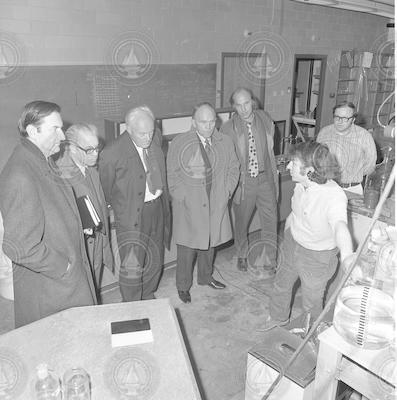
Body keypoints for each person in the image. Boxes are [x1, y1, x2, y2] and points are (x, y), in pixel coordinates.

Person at [0, 101, 97, 327]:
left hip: (62, 280)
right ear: (33, 131)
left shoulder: (39, 160)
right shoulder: (21, 175)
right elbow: (20, 247)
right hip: (53, 288)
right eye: (56, 128)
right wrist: (64, 268)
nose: (62, 136)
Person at [262, 141, 353, 330]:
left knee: (311, 302)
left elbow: (340, 226)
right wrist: (287, 236)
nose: (288, 167)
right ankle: (279, 317)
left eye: (293, 163)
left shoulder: (333, 195)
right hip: (293, 242)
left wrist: (347, 256)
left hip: (316, 256)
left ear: (309, 170)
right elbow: (295, 213)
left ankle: (310, 333)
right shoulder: (301, 184)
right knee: (281, 284)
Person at [167, 102, 239, 303]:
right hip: (190, 205)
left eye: (212, 121)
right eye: (203, 122)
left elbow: (235, 168)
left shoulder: (225, 141)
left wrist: (227, 191)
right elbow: (172, 175)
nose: (208, 126)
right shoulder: (180, 142)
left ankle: (206, 277)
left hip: (216, 202)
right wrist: (184, 197)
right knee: (187, 249)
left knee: (210, 244)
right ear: (193, 122)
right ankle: (183, 286)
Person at [99, 106, 170, 302]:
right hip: (131, 216)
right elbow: (105, 189)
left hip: (157, 208)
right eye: (142, 133)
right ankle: (131, 304)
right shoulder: (112, 153)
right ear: (128, 129)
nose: (148, 138)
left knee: (155, 258)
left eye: (151, 132)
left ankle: (147, 293)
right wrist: (122, 208)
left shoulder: (154, 139)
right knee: (132, 264)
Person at [220, 88, 279, 273]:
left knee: (271, 220)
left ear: (252, 102)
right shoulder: (228, 128)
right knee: (242, 222)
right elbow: (225, 159)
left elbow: (270, 150)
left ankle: (270, 259)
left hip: (265, 178)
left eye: (246, 103)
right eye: (239, 105)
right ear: (234, 106)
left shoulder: (265, 119)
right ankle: (242, 254)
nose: (244, 109)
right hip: (244, 182)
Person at [54, 123, 113, 299]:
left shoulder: (91, 169)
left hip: (97, 244)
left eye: (97, 148)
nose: (96, 154)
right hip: (80, 249)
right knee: (81, 297)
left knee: (93, 289)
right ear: (70, 147)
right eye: (89, 150)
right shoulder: (60, 175)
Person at [316, 101, 377, 195]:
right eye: (337, 117)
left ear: (353, 119)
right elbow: (317, 158)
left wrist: (354, 174)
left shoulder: (364, 136)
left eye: (345, 118)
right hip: (327, 186)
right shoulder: (324, 133)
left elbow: (370, 164)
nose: (340, 121)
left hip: (352, 189)